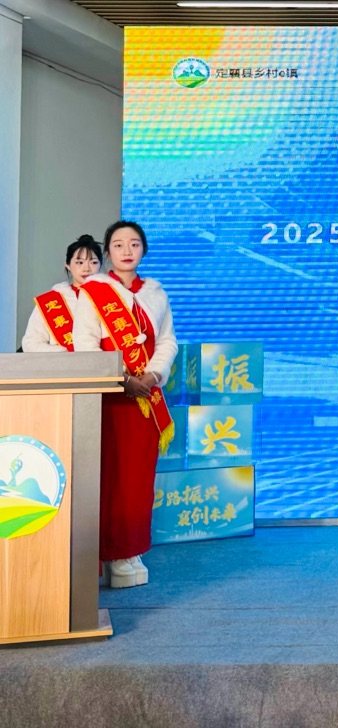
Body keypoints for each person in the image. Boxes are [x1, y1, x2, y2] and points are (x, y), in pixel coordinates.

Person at [72, 221, 179, 588]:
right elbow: (85, 343)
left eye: (134, 243)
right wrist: (120, 378)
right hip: (107, 400)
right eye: (118, 244)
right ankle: (109, 552)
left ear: (144, 250)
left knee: (137, 477)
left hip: (145, 400)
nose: (127, 250)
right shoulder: (94, 291)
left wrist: (152, 376)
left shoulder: (156, 293)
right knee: (110, 476)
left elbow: (167, 342)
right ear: (108, 252)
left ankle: (131, 550)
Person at [21, 235, 102, 352]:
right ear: (68, 265)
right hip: (61, 362)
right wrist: (60, 353)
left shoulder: (111, 298)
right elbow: (31, 343)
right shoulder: (51, 301)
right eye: (79, 262)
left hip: (103, 363)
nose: (87, 268)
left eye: (93, 262)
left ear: (100, 265)